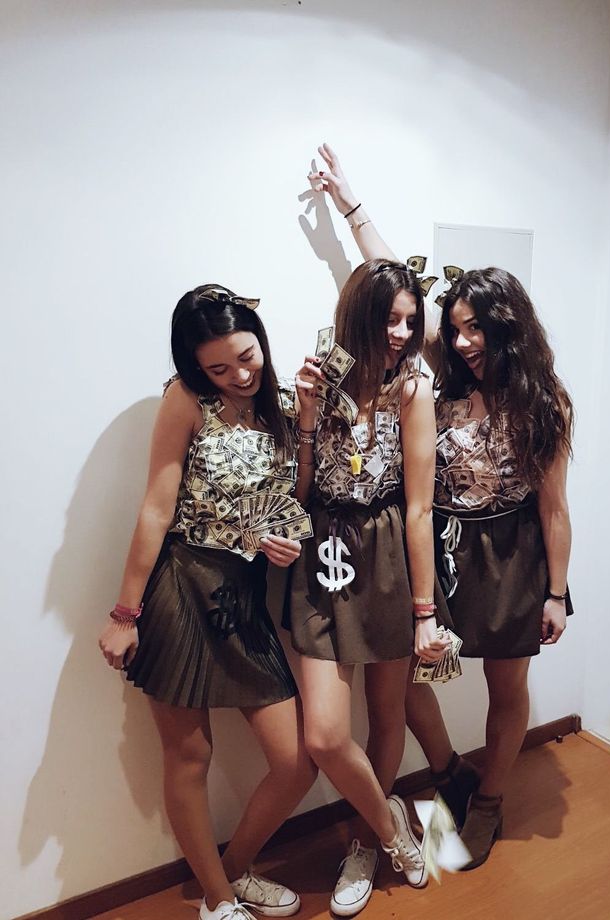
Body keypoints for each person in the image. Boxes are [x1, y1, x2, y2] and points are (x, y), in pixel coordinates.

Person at [309, 144, 574, 870]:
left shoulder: (543, 401)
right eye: (453, 327)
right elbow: (395, 283)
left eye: (477, 328)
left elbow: (554, 508)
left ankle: (487, 801)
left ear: (508, 327)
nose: (461, 339)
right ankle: (450, 770)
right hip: (446, 550)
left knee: (505, 683)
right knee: (414, 674)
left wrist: (555, 593)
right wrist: (349, 206)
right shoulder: (442, 372)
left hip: (515, 553)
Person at [98, 284, 318, 920]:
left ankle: (233, 871)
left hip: (242, 596)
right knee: (191, 755)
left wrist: (281, 534)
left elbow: (290, 495)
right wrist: (123, 614)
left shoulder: (278, 398)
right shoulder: (185, 398)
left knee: (295, 759)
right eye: (218, 367)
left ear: (261, 339)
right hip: (181, 587)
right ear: (195, 366)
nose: (239, 375)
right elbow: (156, 506)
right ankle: (218, 904)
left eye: (247, 357)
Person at [287, 259, 449, 916]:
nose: (403, 333)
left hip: (387, 558)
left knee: (388, 715)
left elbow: (418, 509)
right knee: (325, 734)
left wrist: (423, 613)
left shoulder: (413, 390)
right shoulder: (317, 375)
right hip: (325, 553)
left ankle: (361, 845)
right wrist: (302, 419)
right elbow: (294, 497)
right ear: (359, 315)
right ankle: (393, 830)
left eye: (412, 321)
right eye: (392, 318)